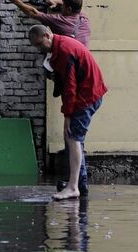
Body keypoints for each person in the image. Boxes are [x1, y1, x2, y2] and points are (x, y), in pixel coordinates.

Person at [27, 25, 107, 200]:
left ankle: (73, 187)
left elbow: (69, 88)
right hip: (88, 92)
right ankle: (80, 184)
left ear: (47, 36)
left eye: (40, 44)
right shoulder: (60, 46)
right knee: (74, 139)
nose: (39, 49)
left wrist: (67, 116)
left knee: (73, 138)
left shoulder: (63, 50)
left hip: (87, 95)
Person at [5, 0, 91, 47]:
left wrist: (17, 2)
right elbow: (75, 5)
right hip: (84, 61)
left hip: (69, 62)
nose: (61, 8)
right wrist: (56, 1)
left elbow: (33, 13)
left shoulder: (59, 20)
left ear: (69, 9)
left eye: (63, 6)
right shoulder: (84, 17)